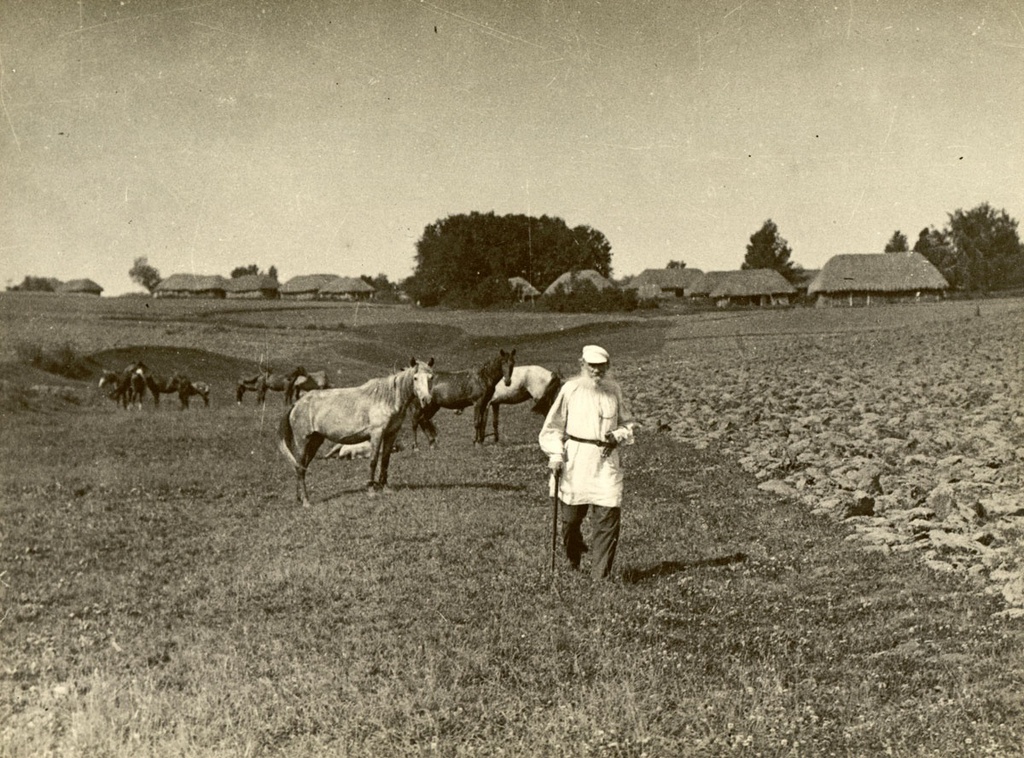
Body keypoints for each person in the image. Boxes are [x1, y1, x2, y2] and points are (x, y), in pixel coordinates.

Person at [539, 344, 638, 579]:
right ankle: (573, 556)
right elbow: (552, 427)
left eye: (601, 366)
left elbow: (629, 422)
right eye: (592, 365)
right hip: (576, 461)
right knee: (571, 520)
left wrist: (618, 435)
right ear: (582, 365)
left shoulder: (614, 391)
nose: (596, 371)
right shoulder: (570, 390)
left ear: (608, 367)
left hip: (605, 463)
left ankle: (599, 576)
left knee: (608, 514)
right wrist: (555, 454)